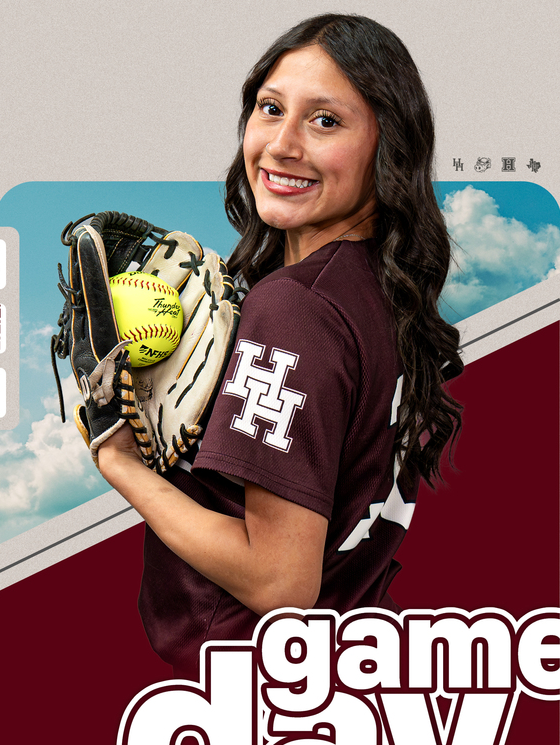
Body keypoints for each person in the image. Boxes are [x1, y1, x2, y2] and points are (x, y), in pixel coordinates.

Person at [97, 13, 463, 677]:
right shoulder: (381, 295)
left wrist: (119, 463)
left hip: (243, 689)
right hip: (336, 672)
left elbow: (277, 583)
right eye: (270, 109)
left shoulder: (295, 307)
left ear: (389, 148)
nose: (281, 145)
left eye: (325, 121)